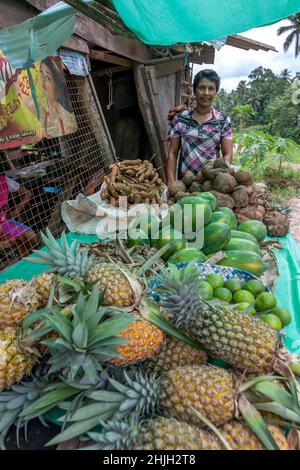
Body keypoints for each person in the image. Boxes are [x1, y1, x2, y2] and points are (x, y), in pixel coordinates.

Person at [167, 69, 233, 186]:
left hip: (210, 186)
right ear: (194, 91)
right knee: (188, 206)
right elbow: (173, 152)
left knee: (205, 205)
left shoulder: (223, 121)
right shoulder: (181, 119)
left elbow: (227, 154)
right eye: (202, 88)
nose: (206, 93)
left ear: (216, 92)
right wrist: (171, 182)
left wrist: (222, 173)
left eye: (211, 89)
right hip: (184, 186)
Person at [0, 173, 37, 257]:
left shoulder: (3, 180)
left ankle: (31, 264)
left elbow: (27, 193)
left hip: (4, 223)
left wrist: (14, 213)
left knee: (30, 236)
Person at [40, 58, 77, 138]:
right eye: (41, 73)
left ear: (57, 86)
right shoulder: (41, 109)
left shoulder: (65, 117)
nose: (42, 81)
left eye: (47, 78)